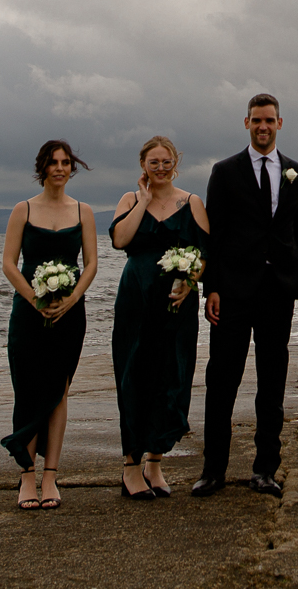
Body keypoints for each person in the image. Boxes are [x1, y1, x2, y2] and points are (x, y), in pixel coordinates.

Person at [195, 93, 298, 498]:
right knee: (221, 380)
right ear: (246, 123)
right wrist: (210, 288)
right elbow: (216, 233)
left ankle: (265, 470)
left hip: (277, 292)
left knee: (272, 382)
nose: (263, 127)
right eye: (257, 121)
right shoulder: (224, 171)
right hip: (233, 291)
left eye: (270, 121)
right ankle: (213, 471)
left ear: (281, 123)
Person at [0, 139, 99, 510]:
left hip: (71, 315)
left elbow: (90, 264)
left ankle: (52, 477)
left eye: (65, 163)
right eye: (53, 163)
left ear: (71, 168)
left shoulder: (83, 211)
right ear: (42, 168)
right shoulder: (22, 210)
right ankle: (27, 477)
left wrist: (72, 299)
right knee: (26, 390)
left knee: (59, 391)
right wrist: (33, 298)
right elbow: (9, 263)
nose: (60, 168)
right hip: (29, 313)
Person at [110, 135, 210, 500]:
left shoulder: (192, 202)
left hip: (177, 303)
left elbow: (205, 253)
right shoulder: (129, 199)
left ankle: (155, 462)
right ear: (143, 166)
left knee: (173, 375)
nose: (161, 168)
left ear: (175, 163)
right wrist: (144, 201)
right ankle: (130, 467)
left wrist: (191, 283)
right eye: (154, 162)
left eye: (166, 161)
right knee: (135, 375)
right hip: (136, 299)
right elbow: (120, 240)